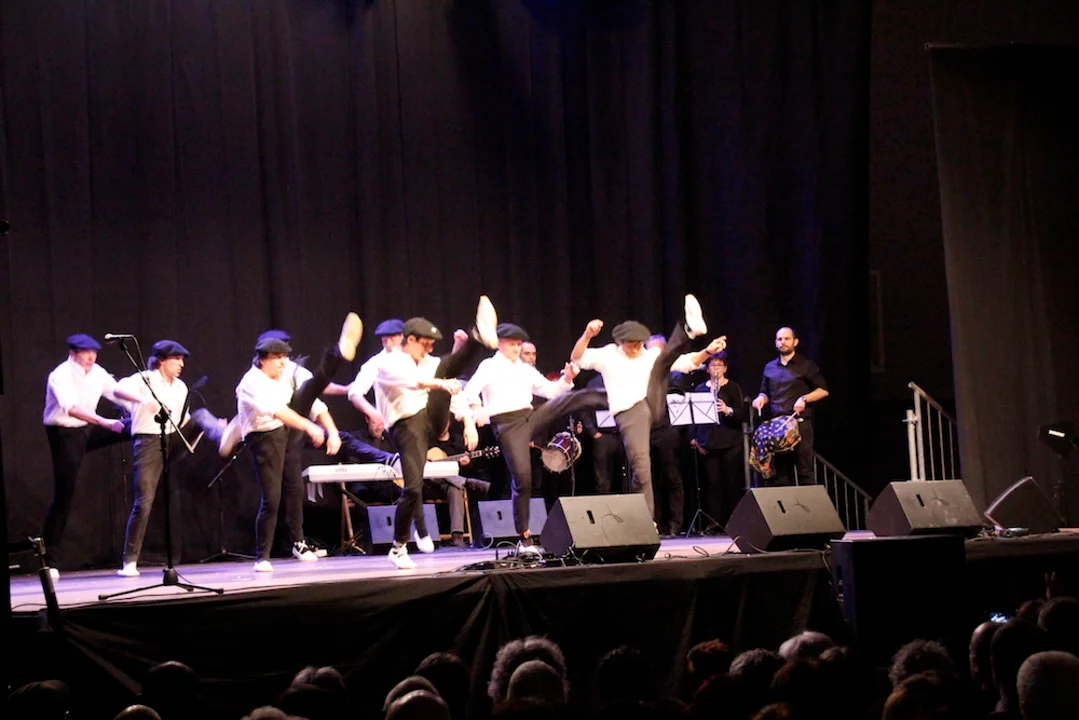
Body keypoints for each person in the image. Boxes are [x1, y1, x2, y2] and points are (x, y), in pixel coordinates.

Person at [195, 313, 362, 572]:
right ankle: (204, 419)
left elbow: (314, 396)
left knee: (294, 488)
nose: (284, 362)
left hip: (284, 433)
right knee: (265, 492)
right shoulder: (252, 382)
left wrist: (331, 430)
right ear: (262, 359)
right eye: (278, 358)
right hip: (260, 435)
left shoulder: (287, 373)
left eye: (285, 356)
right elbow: (279, 412)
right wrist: (308, 426)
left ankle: (337, 353)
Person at [569, 295, 726, 517]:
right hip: (630, 413)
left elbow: (688, 362)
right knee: (642, 469)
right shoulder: (608, 354)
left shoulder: (650, 355)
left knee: (662, 361)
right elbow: (577, 358)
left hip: (652, 404)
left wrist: (708, 351)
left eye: (638, 344)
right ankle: (647, 519)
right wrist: (587, 335)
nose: (635, 348)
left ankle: (690, 330)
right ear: (620, 342)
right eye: (630, 344)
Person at [375, 297, 497, 569]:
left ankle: (478, 337)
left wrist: (467, 419)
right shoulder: (389, 362)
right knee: (412, 487)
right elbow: (415, 382)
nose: (429, 349)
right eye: (426, 344)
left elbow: (447, 375)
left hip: (429, 418)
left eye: (432, 345)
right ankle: (398, 547)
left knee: (444, 367)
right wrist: (441, 384)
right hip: (405, 426)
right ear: (410, 340)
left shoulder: (427, 362)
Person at [464, 322, 597, 556]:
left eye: (519, 345)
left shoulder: (525, 369)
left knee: (564, 401)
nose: (517, 349)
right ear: (500, 344)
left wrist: (567, 378)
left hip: (530, 417)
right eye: (512, 345)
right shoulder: (489, 366)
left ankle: (605, 398)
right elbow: (469, 393)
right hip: (507, 424)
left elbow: (551, 391)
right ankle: (524, 536)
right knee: (523, 478)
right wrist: (475, 414)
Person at [42, 333, 142, 571]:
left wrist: (142, 403)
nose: (91, 357)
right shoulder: (60, 375)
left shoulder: (97, 372)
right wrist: (105, 423)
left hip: (89, 428)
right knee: (64, 496)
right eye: (86, 353)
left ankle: (171, 431)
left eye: (94, 352)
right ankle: (49, 561)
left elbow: (117, 393)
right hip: (65, 434)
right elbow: (72, 408)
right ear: (73, 353)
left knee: (137, 425)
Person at [115, 340, 203, 576]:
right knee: (144, 501)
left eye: (182, 360)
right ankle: (130, 560)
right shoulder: (144, 379)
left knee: (202, 416)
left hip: (172, 437)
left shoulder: (181, 387)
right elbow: (117, 390)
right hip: (148, 441)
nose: (181, 364)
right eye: (177, 359)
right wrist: (143, 400)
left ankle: (223, 434)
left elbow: (182, 418)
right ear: (162, 360)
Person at [750, 327, 828, 486]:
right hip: (777, 427)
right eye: (779, 339)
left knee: (804, 471)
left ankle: (809, 503)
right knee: (781, 475)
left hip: (799, 424)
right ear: (775, 343)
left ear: (795, 342)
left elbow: (823, 390)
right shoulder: (769, 367)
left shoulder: (806, 365)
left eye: (787, 339)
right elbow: (765, 392)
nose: (783, 342)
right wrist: (760, 398)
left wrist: (804, 398)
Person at [690, 352, 745, 528]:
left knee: (731, 483)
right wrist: (695, 439)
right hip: (709, 443)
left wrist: (728, 410)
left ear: (725, 368)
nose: (716, 369)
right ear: (707, 369)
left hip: (730, 443)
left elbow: (741, 414)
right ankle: (713, 523)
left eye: (719, 365)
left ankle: (733, 523)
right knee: (712, 485)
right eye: (712, 365)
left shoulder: (733, 387)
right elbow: (693, 416)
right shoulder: (701, 389)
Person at [645, 334, 686, 536]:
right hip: (646, 430)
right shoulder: (641, 372)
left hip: (667, 430)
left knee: (671, 478)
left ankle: (675, 524)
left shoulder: (674, 372)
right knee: (649, 479)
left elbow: (678, 394)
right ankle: (654, 523)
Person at [347, 318, 405, 442]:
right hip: (397, 426)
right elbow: (355, 392)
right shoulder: (376, 363)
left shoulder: (416, 357)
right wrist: (371, 412)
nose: (389, 344)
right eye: (385, 341)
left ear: (402, 337)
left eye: (392, 340)